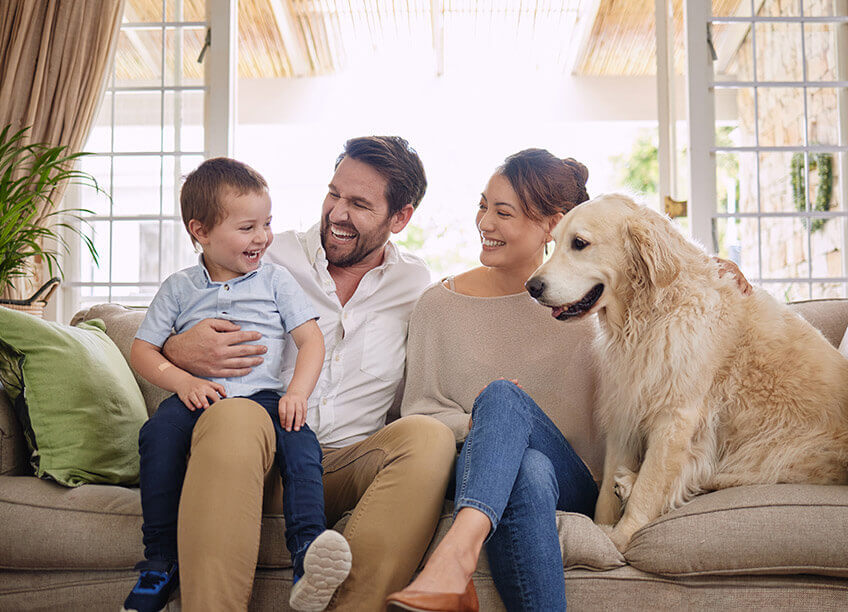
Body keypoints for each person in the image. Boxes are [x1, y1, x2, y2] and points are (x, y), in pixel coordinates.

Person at [386, 149, 752, 611]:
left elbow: (658, 286)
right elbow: (420, 411)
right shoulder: (437, 307)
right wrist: (500, 429)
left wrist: (715, 268)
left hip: (579, 480)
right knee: (527, 465)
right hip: (481, 474)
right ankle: (456, 559)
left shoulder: (595, 305)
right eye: (482, 206)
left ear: (553, 225)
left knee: (506, 403)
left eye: (503, 212)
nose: (484, 222)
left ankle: (454, 558)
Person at [159, 137, 457, 611]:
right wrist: (179, 347)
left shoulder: (415, 285)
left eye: (359, 204)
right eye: (334, 193)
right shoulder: (264, 254)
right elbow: (173, 317)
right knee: (237, 416)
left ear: (399, 218)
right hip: (258, 454)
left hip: (344, 465)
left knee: (430, 438)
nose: (337, 213)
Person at [123, 158, 351, 612]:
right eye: (248, 227)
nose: (263, 237)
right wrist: (183, 380)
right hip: (198, 398)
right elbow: (142, 350)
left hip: (265, 399)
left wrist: (296, 395)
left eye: (267, 224)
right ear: (201, 231)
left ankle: (307, 552)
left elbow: (311, 340)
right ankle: (161, 561)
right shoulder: (179, 287)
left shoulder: (274, 279)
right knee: (156, 436)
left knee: (301, 444)